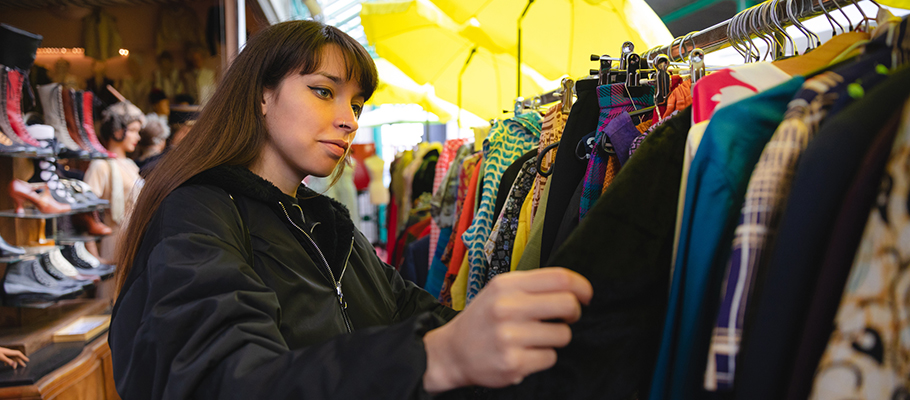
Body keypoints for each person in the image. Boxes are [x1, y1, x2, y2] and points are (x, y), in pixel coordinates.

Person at [109, 20, 592, 399]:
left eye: (357, 104)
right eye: (324, 91)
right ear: (261, 94)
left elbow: (406, 308)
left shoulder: (323, 222)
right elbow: (224, 380)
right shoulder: (200, 212)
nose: (348, 120)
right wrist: (435, 358)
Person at [83, 101, 145, 263]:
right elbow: (84, 212)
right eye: (132, 130)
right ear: (117, 131)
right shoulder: (101, 166)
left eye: (138, 131)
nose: (137, 137)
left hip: (135, 242)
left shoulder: (131, 166)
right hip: (114, 243)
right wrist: (94, 258)